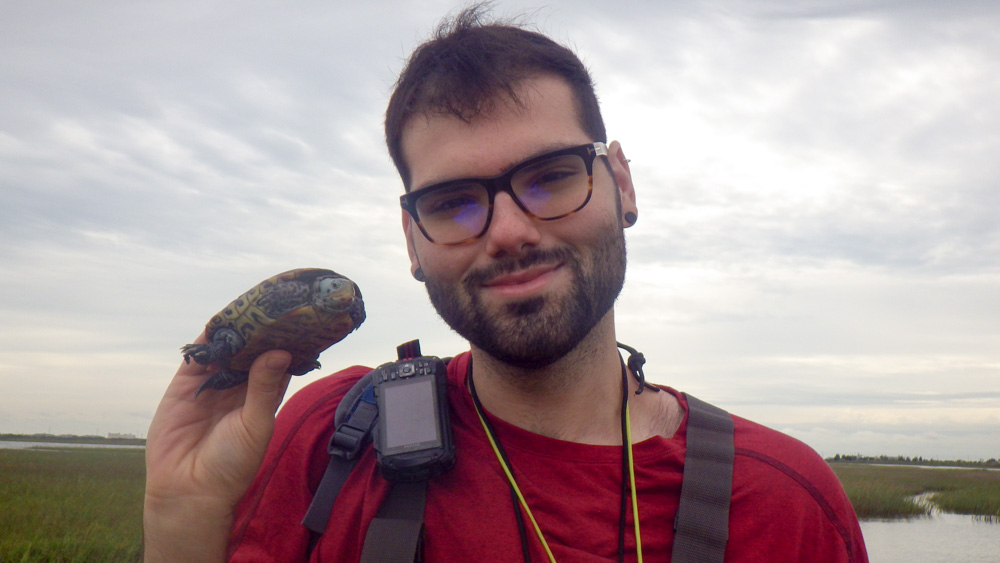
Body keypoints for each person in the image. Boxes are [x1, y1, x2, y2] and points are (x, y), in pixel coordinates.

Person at [144, 6, 868, 562]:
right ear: (412, 241)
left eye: (550, 177)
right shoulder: (332, 438)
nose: (509, 230)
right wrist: (184, 515)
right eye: (453, 202)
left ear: (620, 183)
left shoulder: (786, 502)